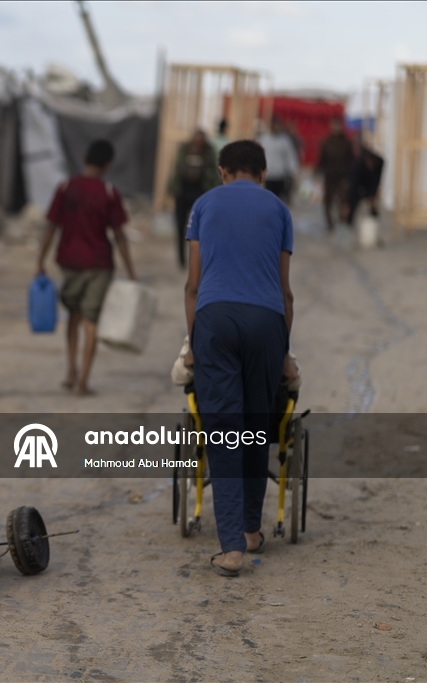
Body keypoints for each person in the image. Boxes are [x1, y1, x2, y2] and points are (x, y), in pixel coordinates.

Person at [183, 140, 294, 577]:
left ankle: (231, 548)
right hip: (267, 322)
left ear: (221, 170)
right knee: (256, 424)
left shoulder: (204, 205)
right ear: (263, 174)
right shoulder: (279, 210)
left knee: (224, 430)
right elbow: (285, 291)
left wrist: (194, 343)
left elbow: (193, 284)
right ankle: (251, 529)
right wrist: (283, 352)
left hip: (216, 319)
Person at [37, 140, 136, 396]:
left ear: (84, 159)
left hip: (69, 262)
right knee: (91, 322)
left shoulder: (66, 187)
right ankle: (83, 380)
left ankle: (70, 370)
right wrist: (131, 271)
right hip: (99, 265)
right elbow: (120, 235)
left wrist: (39, 261)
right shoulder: (108, 192)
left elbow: (50, 227)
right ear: (107, 165)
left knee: (73, 317)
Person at [169, 130, 220, 268]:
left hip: (200, 192)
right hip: (183, 192)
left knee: (201, 227)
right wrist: (172, 188)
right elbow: (176, 170)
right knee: (180, 226)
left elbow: (214, 172)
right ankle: (181, 259)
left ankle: (199, 259)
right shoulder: (184, 149)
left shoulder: (209, 151)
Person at [316, 118, 355, 231]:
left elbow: (351, 160)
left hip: (343, 176)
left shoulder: (346, 143)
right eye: (333, 126)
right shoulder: (326, 142)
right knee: (327, 202)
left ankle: (342, 221)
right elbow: (321, 159)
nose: (335, 128)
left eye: (337, 126)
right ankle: (330, 224)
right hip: (329, 176)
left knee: (342, 201)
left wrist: (350, 175)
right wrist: (317, 171)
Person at [257, 118, 299, 202]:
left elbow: (290, 157)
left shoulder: (285, 141)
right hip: (268, 175)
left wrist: (293, 171)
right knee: (268, 198)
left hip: (280, 175)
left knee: (278, 199)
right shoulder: (264, 139)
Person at [346, 143, 384, 225]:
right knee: (353, 202)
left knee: (372, 204)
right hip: (359, 185)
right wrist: (348, 202)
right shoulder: (358, 165)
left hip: (370, 185)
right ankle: (349, 220)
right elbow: (353, 184)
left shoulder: (378, 163)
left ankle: (373, 218)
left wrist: (372, 195)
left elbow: (376, 180)